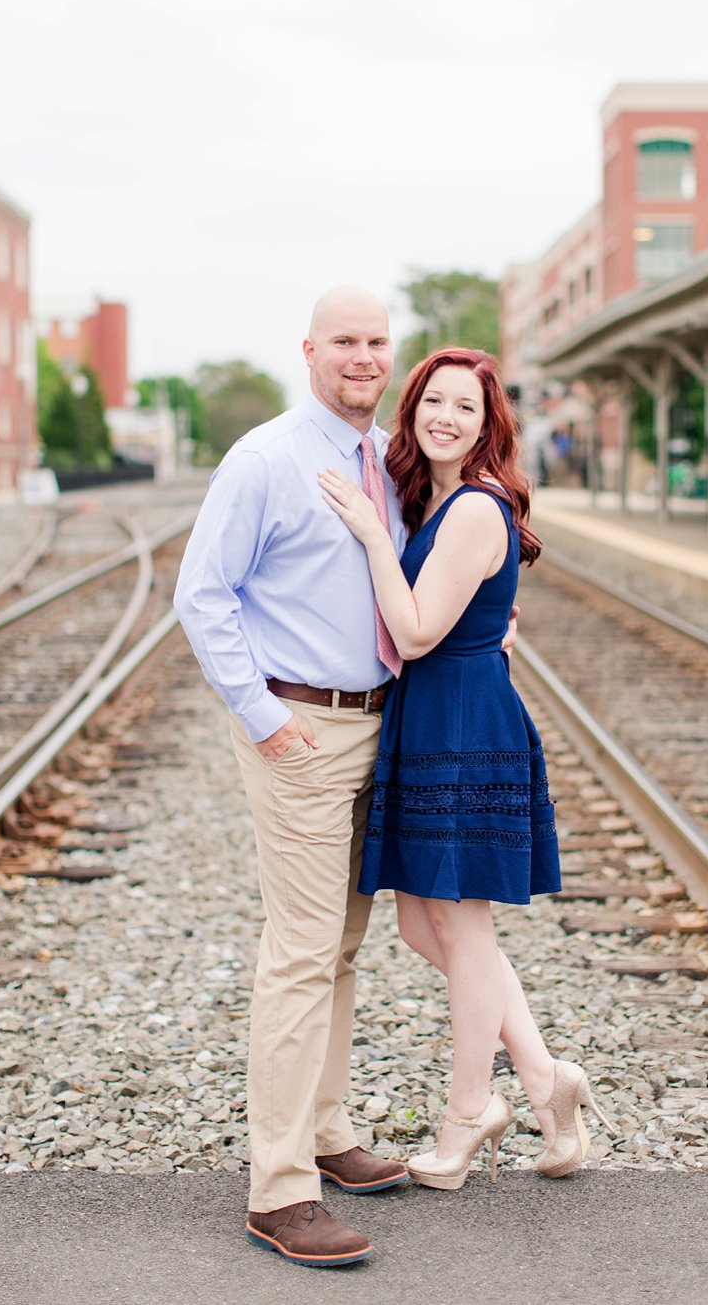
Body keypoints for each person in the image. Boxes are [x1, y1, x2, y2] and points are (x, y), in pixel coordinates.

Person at [316, 347, 609, 1192]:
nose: (446, 416)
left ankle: (468, 1111)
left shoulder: (475, 507)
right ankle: (548, 1078)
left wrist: (371, 535)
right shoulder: (435, 500)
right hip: (436, 717)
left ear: (488, 428)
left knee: (465, 931)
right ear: (412, 412)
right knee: (423, 926)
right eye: (433, 401)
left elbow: (411, 631)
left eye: (466, 408)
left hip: (463, 728)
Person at [175, 286, 413, 1268]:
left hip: (378, 724)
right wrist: (265, 720)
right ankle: (279, 1188)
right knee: (301, 951)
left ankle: (325, 1126)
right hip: (301, 728)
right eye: (344, 341)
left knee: (344, 947)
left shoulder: (393, 459)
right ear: (310, 349)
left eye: (376, 341)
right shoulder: (267, 457)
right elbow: (202, 593)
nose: (362, 356)